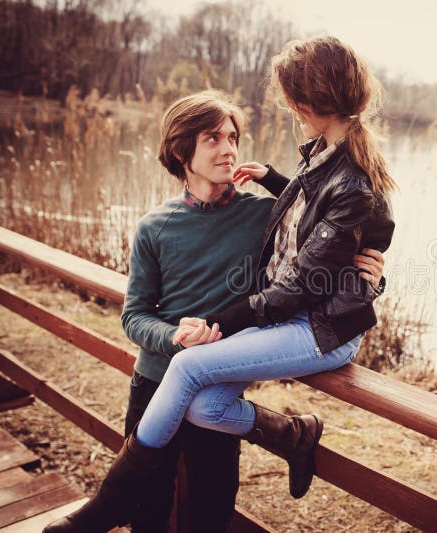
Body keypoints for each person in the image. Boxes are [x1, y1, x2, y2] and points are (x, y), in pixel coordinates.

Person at [45, 36, 395, 533]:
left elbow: (324, 251)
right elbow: (134, 315)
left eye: (232, 137)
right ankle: (123, 503)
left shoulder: (261, 218)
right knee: (148, 512)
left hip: (217, 358)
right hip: (156, 377)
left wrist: (371, 280)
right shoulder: (155, 227)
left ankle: (102, 508)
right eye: (213, 139)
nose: (229, 149)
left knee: (209, 514)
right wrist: (171, 335)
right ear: (179, 150)